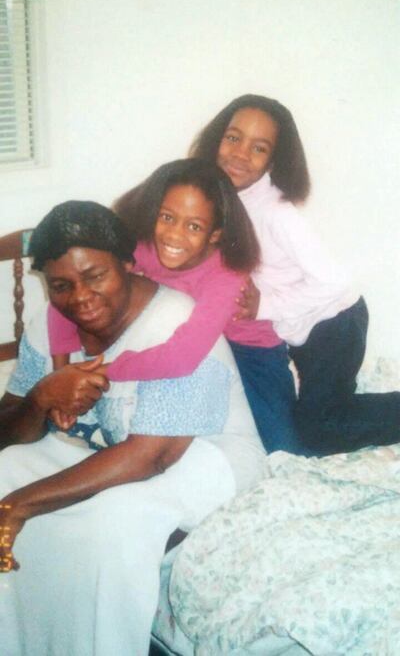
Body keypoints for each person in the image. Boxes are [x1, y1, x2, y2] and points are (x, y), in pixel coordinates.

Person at [0, 200, 265, 656]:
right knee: (5, 468)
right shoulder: (52, 326)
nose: (80, 297)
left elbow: (153, 456)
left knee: (113, 525)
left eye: (95, 276)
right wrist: (43, 396)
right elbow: (7, 432)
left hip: (202, 457)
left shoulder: (174, 323)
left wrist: (19, 506)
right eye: (62, 285)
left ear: (128, 264)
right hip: (104, 452)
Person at [190, 93, 400, 456]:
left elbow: (336, 282)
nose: (240, 153)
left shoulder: (276, 212)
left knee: (318, 430)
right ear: (216, 138)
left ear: (273, 159)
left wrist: (264, 305)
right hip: (301, 331)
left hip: (334, 322)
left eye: (258, 148)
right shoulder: (221, 198)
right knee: (320, 416)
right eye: (233, 137)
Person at [47, 159, 302, 454]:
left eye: (194, 226)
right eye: (167, 217)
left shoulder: (227, 276)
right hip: (196, 346)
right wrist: (60, 376)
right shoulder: (143, 249)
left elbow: (180, 359)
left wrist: (101, 371)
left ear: (215, 234)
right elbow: (67, 289)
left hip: (251, 355)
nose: (174, 235)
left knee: (283, 450)